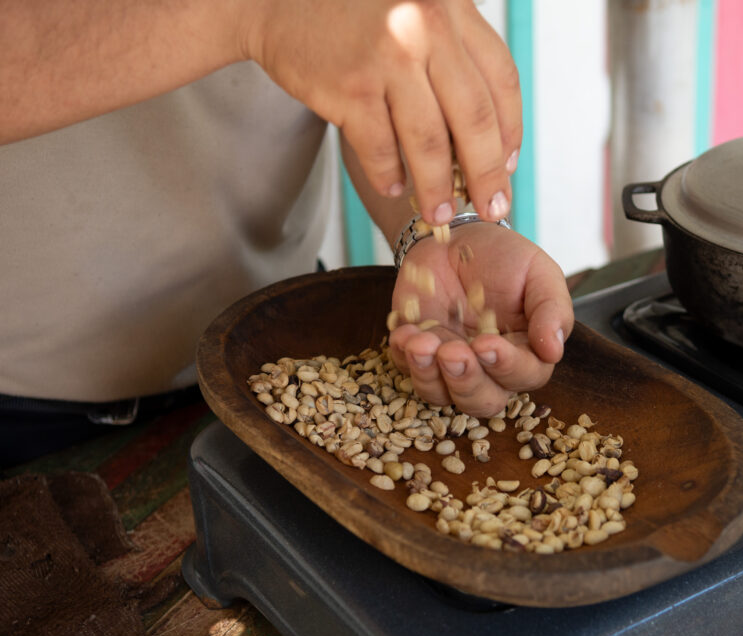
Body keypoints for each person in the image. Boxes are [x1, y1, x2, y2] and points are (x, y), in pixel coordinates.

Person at [0, 0, 575, 461]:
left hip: (288, 350)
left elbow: (360, 59)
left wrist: (443, 225)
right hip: (27, 405)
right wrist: (256, 15)